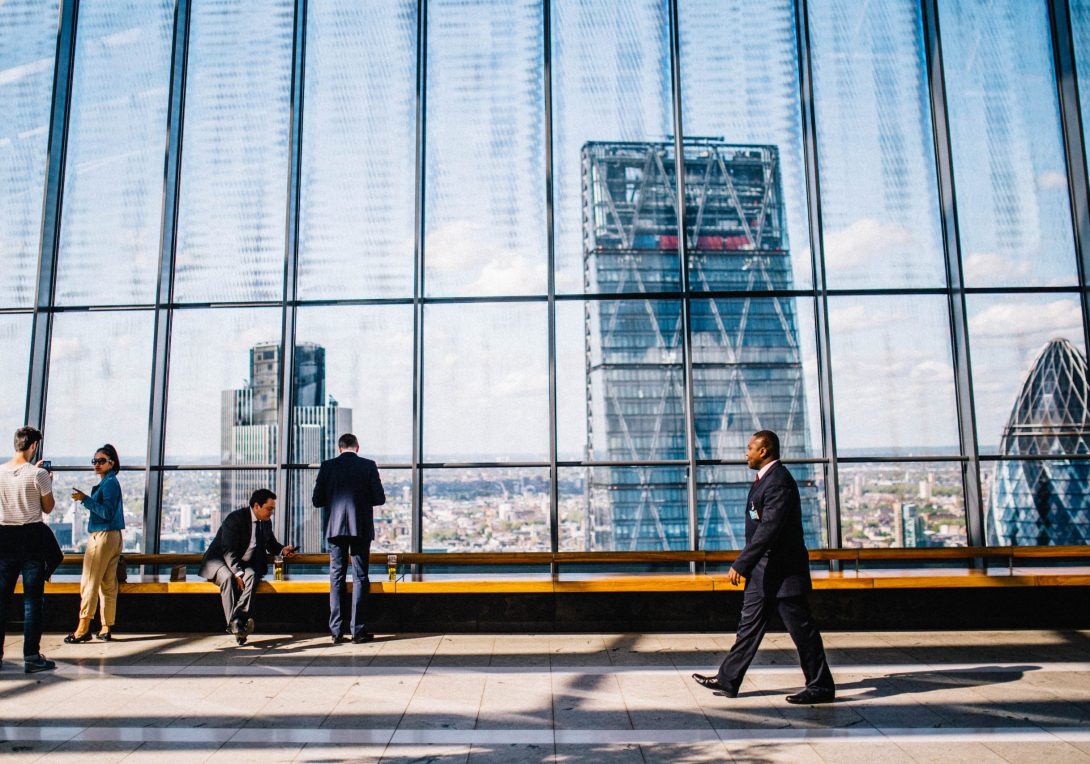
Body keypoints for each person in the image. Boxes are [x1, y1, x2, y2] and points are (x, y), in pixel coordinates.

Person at [692, 430, 836, 704]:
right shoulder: (765, 480)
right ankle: (728, 679)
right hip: (763, 573)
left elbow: (769, 529)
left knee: (802, 632)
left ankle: (821, 686)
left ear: (764, 451)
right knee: (748, 627)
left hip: (783, 573)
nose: (745, 453)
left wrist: (742, 563)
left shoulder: (778, 482)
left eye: (750, 448)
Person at [313, 433, 385, 644]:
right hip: (360, 527)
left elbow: (317, 500)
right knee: (360, 577)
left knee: (336, 576)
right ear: (357, 447)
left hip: (335, 529)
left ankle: (336, 631)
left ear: (339, 448)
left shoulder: (327, 466)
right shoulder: (368, 465)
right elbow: (379, 498)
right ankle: (358, 631)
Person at [199, 488, 296, 645]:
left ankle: (237, 623)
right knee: (229, 578)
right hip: (219, 561)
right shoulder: (235, 519)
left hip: (242, 563)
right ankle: (238, 627)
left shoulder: (265, 522)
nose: (271, 512)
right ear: (256, 506)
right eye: (269, 508)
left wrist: (282, 550)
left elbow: (270, 543)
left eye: (273, 509)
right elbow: (227, 550)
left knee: (252, 576)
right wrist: (237, 573)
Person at [0, 427, 57, 673]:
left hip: (4, 537)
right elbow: (48, 508)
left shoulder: (0, 472)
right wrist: (47, 480)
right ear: (33, 446)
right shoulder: (39, 474)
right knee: (32, 601)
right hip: (31, 538)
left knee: (1, 600)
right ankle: (32, 657)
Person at [65, 444, 125, 643]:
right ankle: (106, 626)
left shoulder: (109, 484)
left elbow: (106, 512)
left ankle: (83, 628)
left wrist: (85, 499)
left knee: (90, 582)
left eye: (101, 461)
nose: (97, 465)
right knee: (108, 583)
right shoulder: (111, 482)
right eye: (95, 461)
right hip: (114, 537)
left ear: (112, 463)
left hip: (102, 537)